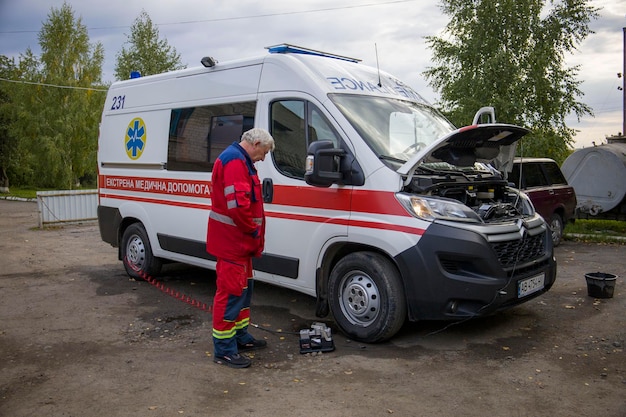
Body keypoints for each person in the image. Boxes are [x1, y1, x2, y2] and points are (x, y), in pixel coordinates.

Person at [206, 128, 275, 368]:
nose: (263, 158)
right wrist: (252, 231)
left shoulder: (239, 160)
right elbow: (238, 206)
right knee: (231, 294)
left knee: (243, 292)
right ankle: (224, 350)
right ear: (255, 143)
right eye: (263, 153)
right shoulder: (235, 161)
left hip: (240, 244)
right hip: (234, 242)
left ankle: (239, 337)